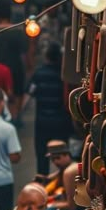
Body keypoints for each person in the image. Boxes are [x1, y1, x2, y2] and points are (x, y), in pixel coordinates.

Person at [24, 42, 72, 176]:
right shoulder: (64, 76)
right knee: (62, 155)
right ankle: (63, 182)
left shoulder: (39, 74)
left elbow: (28, 94)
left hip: (42, 122)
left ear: (46, 57)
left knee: (42, 154)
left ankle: (43, 182)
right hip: (61, 121)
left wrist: (18, 115)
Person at [0, 0, 28, 125]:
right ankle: (14, 117)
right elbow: (24, 54)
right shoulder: (19, 31)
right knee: (17, 93)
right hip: (16, 66)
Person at [38, 141, 79, 210]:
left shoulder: (69, 172)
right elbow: (51, 177)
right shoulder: (64, 168)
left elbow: (71, 206)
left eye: (57, 158)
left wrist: (48, 205)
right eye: (52, 159)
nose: (55, 162)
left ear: (67, 155)